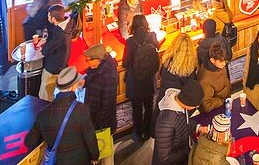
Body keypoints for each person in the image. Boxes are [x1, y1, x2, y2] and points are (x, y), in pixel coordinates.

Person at [24, 66, 100, 165]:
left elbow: (29, 141)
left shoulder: (43, 114)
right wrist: (95, 156)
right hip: (80, 160)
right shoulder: (82, 109)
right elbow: (90, 139)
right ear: (73, 86)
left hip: (56, 161)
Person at [123, 14, 159, 143]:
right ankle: (149, 131)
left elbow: (125, 63)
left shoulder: (130, 42)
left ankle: (139, 134)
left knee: (137, 110)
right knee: (149, 107)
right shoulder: (152, 36)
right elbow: (158, 48)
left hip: (135, 81)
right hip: (148, 79)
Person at [152, 79, 204, 165]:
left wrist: (198, 127)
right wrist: (189, 149)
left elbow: (184, 122)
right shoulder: (166, 123)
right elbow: (165, 158)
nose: (196, 107)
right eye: (196, 105)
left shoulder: (180, 104)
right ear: (188, 102)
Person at [83, 44, 119, 165]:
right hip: (94, 119)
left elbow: (107, 105)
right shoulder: (97, 70)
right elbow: (92, 79)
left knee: (106, 153)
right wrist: (85, 82)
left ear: (98, 60)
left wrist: (97, 123)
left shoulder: (109, 76)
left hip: (104, 123)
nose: (87, 62)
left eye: (89, 60)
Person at [39, 4, 72, 102]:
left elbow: (46, 50)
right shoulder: (69, 24)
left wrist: (43, 47)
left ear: (53, 18)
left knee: (45, 93)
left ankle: (46, 110)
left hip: (53, 67)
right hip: (62, 63)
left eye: (49, 16)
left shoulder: (60, 33)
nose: (47, 17)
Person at [157, 34, 199, 108]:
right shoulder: (189, 67)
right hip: (177, 100)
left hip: (163, 95)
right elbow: (190, 85)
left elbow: (161, 75)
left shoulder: (166, 59)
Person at [198, 42, 231, 113]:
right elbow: (206, 105)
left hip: (226, 103)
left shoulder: (220, 65)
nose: (224, 64)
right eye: (221, 62)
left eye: (225, 61)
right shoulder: (205, 79)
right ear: (212, 60)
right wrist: (222, 101)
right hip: (215, 110)